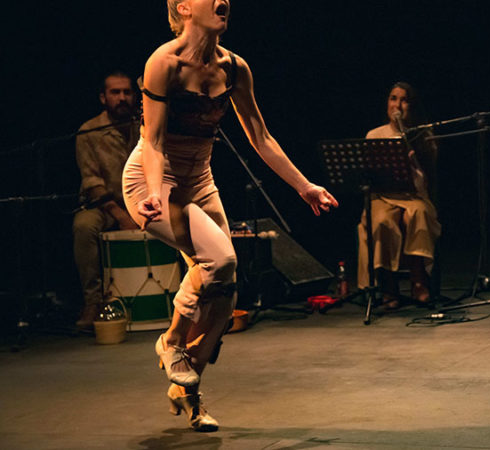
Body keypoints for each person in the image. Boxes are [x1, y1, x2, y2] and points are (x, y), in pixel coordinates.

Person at [122, 0, 337, 432]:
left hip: (200, 180)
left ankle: (188, 388)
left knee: (225, 296)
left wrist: (304, 185)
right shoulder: (163, 63)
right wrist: (158, 195)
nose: (223, 1)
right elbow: (155, 140)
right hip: (152, 180)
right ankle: (170, 342)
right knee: (221, 260)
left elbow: (260, 135)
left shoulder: (235, 68)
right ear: (183, 8)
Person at [358, 81, 441, 309]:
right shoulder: (374, 135)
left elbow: (428, 178)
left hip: (413, 195)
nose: (397, 104)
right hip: (383, 196)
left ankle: (418, 281)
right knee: (383, 221)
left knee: (417, 216)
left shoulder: (422, 134)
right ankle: (388, 286)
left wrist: (412, 155)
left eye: (403, 100)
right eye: (393, 98)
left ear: (411, 106)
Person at [73, 71, 140, 330]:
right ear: (103, 98)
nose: (122, 98)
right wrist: (122, 215)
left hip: (141, 202)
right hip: (103, 205)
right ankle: (93, 301)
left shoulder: (143, 125)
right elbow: (92, 183)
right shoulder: (89, 131)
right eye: (115, 93)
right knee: (83, 226)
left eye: (127, 92)